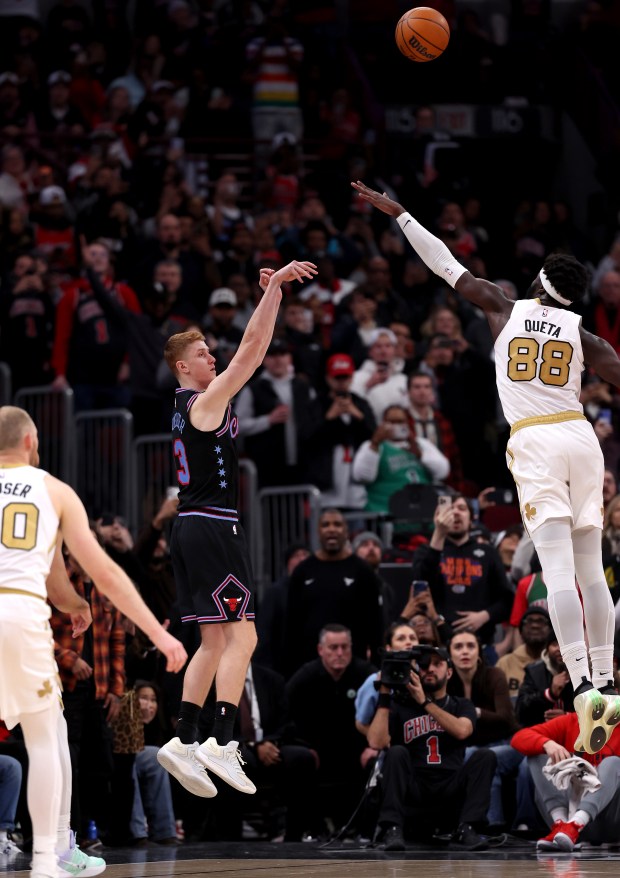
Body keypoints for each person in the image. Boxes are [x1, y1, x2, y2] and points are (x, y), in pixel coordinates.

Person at [353, 180, 620, 754]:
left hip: (536, 443)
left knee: (555, 570)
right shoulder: (585, 334)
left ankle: (580, 683)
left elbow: (447, 266)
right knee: (592, 570)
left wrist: (401, 214)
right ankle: (605, 677)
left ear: (536, 286)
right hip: (580, 435)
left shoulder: (504, 308)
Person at [0, 405, 187, 878]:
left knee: (56, 733)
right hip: (19, 613)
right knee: (46, 739)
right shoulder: (53, 490)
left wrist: (76, 606)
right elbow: (104, 572)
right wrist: (157, 632)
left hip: (20, 602)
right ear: (29, 442)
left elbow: (59, 582)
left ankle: (62, 848)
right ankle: (48, 858)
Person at [156, 259, 317, 800]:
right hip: (213, 527)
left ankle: (183, 737)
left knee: (212, 640)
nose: (212, 356)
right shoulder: (204, 403)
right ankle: (222, 741)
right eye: (201, 354)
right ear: (182, 367)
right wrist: (273, 289)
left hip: (190, 528)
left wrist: (270, 295)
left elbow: (246, 349)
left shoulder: (185, 407)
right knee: (244, 635)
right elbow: (253, 351)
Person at [368, 645, 496, 851]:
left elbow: (463, 731)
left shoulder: (461, 704)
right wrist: (384, 696)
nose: (430, 669)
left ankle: (467, 827)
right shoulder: (400, 705)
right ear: (416, 671)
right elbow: (376, 742)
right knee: (395, 752)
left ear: (449, 672)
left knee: (485, 756)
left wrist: (424, 702)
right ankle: (392, 827)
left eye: (438, 664)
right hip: (414, 787)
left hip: (450, 786)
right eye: (425, 664)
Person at [281, 508, 383, 677]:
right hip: (309, 668)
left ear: (346, 531)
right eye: (325, 525)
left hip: (354, 669)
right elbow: (291, 626)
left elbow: (376, 625)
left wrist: (377, 669)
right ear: (318, 532)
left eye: (337, 524)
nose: (331, 529)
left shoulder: (362, 571)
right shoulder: (303, 571)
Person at [511, 711, 620, 851]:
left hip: (610, 821)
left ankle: (576, 824)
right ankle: (561, 825)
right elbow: (519, 738)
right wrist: (547, 743)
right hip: (571, 815)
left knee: (612, 764)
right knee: (537, 752)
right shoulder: (572, 720)